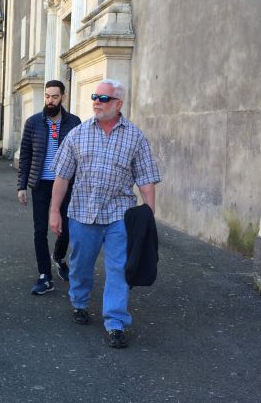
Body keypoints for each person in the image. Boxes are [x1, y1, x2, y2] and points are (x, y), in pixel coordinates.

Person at [49, 79, 161, 349]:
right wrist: (54, 211)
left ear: (118, 104)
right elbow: (62, 177)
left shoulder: (135, 137)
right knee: (80, 265)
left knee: (119, 270)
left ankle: (116, 322)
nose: (96, 102)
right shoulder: (77, 134)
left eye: (103, 98)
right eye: (94, 97)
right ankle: (79, 302)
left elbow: (146, 180)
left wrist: (149, 216)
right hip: (82, 213)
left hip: (119, 216)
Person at [17, 80, 81, 295]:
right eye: (47, 96)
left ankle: (59, 256)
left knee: (66, 228)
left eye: (54, 96)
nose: (50, 100)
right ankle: (45, 275)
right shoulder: (33, 122)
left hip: (65, 184)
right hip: (41, 184)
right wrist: (22, 185)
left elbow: (79, 156)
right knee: (40, 231)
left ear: (63, 96)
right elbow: (25, 154)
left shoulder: (74, 122)